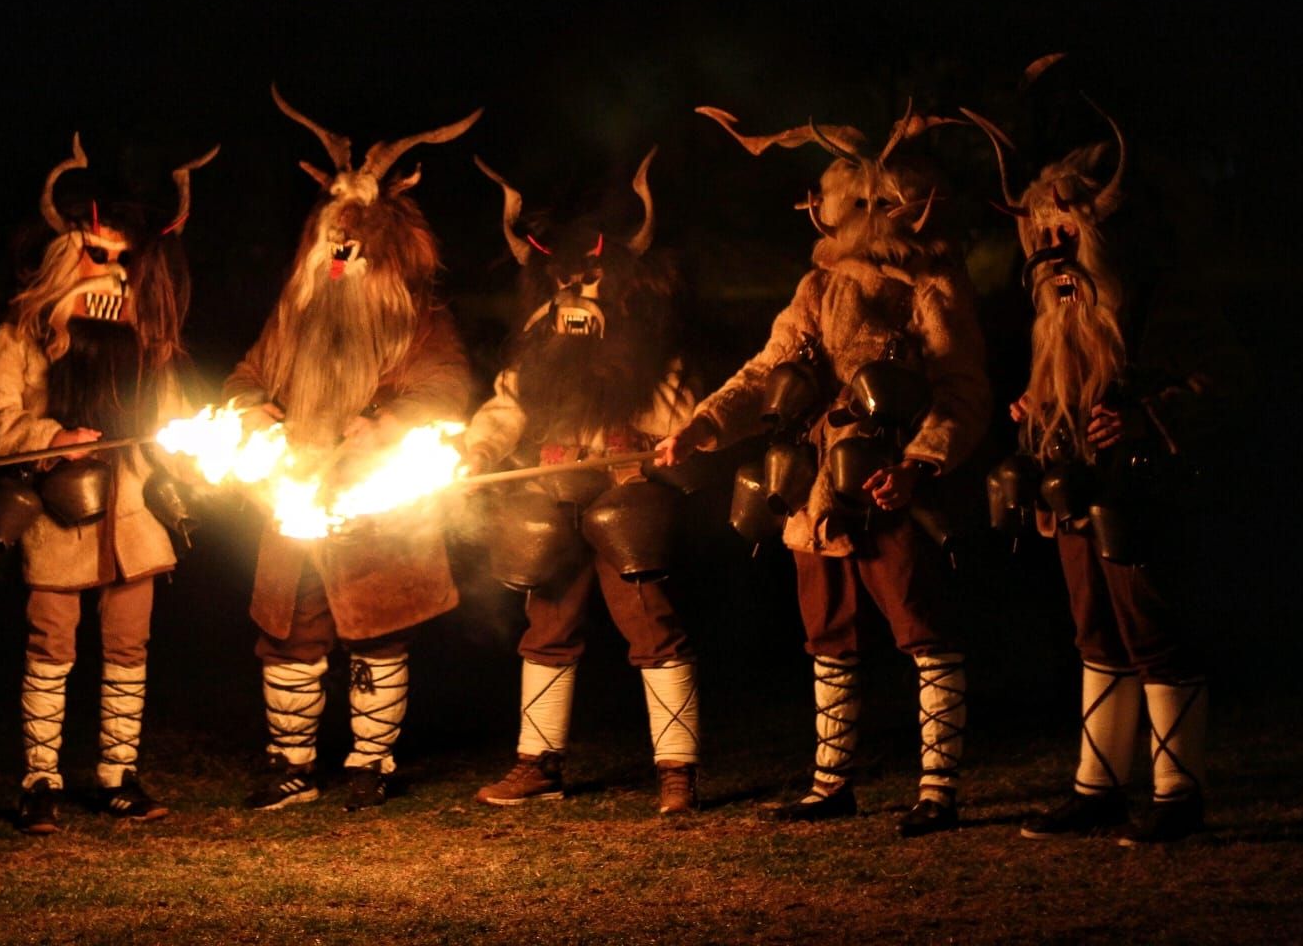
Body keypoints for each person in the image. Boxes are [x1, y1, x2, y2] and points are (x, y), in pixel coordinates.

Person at [658, 105, 990, 838]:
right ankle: (831, 784)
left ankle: (938, 789)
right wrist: (703, 425)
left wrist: (918, 464)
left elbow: (964, 391)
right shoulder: (818, 286)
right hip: (818, 489)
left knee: (924, 633)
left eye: (877, 202)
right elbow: (769, 368)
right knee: (828, 635)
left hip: (889, 485)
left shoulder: (931, 283)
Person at [968, 74, 1244, 845]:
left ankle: (1178, 795)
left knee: (1154, 631)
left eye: (1066, 233)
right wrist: (1037, 409)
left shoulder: (1162, 297)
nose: (1053, 250)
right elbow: (1063, 375)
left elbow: (1226, 380)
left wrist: (1148, 417)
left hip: (1142, 491)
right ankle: (1099, 790)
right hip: (1074, 489)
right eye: (1043, 236)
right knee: (1094, 632)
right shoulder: (1058, 304)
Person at [227, 89, 476, 811]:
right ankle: (291, 764)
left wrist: (388, 422)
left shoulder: (415, 317)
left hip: (374, 503)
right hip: (296, 493)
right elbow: (245, 377)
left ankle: (372, 761)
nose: (342, 243)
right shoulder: (294, 314)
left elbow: (446, 389)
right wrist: (253, 408)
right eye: (334, 228)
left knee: (378, 631)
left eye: (356, 233)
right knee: (290, 632)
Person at [0, 135, 216, 834]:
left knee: (129, 648)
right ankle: (40, 781)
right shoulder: (25, 330)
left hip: (134, 518)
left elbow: (173, 419)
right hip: (59, 517)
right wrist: (49, 438)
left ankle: (117, 776)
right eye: (96, 255)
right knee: (51, 646)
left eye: (121, 258)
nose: (109, 271)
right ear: (67, 253)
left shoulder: (149, 338)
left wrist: (198, 456)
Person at [465, 150, 704, 815]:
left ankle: (678, 770)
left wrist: (631, 383)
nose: (576, 285)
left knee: (652, 625)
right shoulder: (539, 342)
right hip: (552, 491)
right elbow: (507, 406)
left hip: (624, 492)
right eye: (566, 275)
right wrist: (477, 451)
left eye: (590, 273)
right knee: (547, 622)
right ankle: (538, 762)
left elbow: (678, 416)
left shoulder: (649, 341)